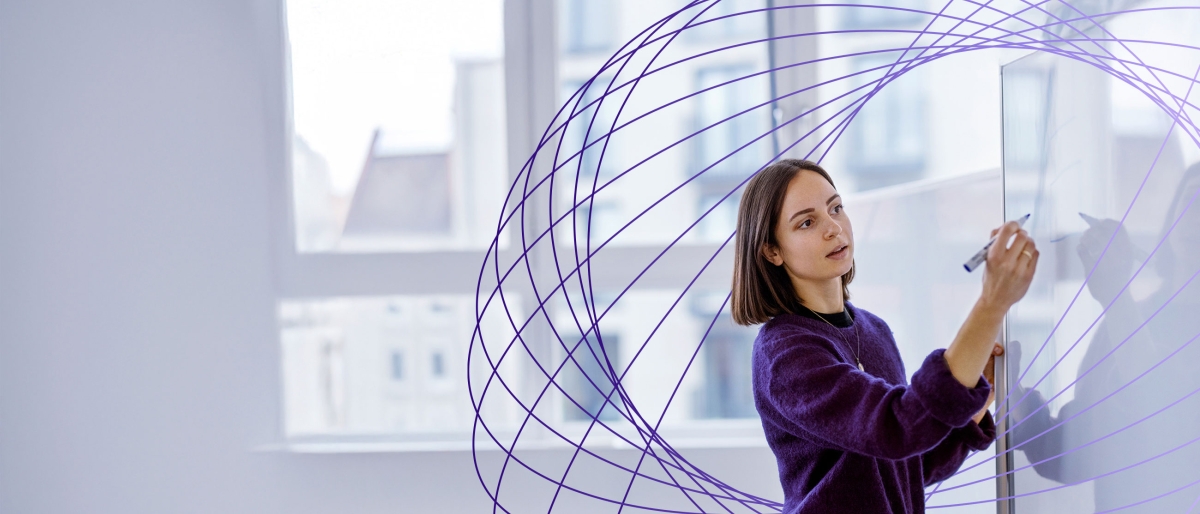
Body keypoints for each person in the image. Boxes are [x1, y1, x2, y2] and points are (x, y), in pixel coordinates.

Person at [732, 159, 1037, 513]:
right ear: (772, 251)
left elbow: (908, 465)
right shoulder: (784, 354)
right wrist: (992, 302)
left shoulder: (873, 328)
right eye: (807, 222)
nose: (833, 228)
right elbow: (898, 428)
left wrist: (975, 402)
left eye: (836, 208)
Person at [1008, 163, 1200, 512]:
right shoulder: (1125, 321)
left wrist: (1116, 296)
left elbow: (1166, 421)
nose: (1195, 216)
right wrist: (1011, 390)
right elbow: (1073, 453)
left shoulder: (1125, 316)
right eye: (1190, 199)